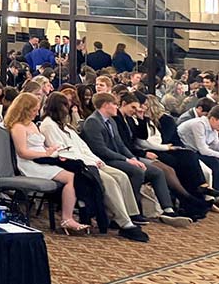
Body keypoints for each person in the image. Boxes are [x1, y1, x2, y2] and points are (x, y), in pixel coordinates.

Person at [40, 92, 147, 241]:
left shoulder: (66, 125)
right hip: (76, 164)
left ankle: (129, 214)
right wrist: (88, 161)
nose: (70, 108)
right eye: (66, 105)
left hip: (88, 160)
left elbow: (82, 146)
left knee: (121, 176)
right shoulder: (48, 125)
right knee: (109, 181)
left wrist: (95, 159)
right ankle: (125, 223)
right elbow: (62, 150)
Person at [82, 92, 191, 225]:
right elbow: (101, 150)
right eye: (115, 104)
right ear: (105, 105)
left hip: (117, 157)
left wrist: (132, 157)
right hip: (105, 160)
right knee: (136, 171)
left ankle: (168, 209)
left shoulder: (110, 121)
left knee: (156, 172)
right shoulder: (93, 122)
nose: (117, 107)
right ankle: (132, 211)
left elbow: (121, 145)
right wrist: (127, 160)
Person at [5, 93, 91, 235]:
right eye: (33, 110)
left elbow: (38, 146)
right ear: (24, 109)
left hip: (42, 159)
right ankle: (67, 218)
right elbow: (22, 152)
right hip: (30, 163)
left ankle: (72, 214)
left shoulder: (31, 124)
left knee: (77, 170)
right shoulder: (18, 127)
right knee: (72, 177)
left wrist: (49, 150)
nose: (36, 113)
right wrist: (45, 154)